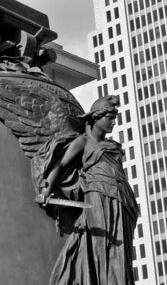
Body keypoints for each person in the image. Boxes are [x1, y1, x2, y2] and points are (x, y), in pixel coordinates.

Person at [38, 96, 139, 285]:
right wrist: (46, 189)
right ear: (96, 117)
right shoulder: (84, 142)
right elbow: (61, 164)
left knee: (120, 250)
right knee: (102, 244)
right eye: (109, 117)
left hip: (123, 200)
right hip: (98, 196)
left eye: (114, 118)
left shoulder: (114, 147)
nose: (113, 122)